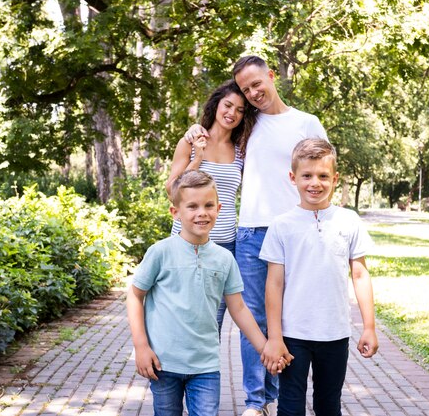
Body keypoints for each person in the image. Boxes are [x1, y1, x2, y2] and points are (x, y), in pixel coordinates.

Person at [184, 55, 327, 416]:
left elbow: (322, 173)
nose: (253, 93)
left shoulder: (306, 123)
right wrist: (193, 134)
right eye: (246, 90)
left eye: (256, 84)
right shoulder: (248, 124)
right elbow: (214, 133)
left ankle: (281, 394)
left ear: (271, 76)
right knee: (255, 318)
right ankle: (256, 401)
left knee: (290, 317)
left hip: (296, 231)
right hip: (251, 232)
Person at [126, 170, 290, 416]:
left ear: (219, 208)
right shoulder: (160, 252)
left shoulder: (224, 259)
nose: (201, 212)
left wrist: (264, 347)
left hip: (206, 366)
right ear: (176, 212)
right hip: (163, 364)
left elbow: (239, 308)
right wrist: (141, 346)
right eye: (192, 206)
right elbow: (135, 295)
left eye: (208, 205)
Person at [260, 138, 379, 416]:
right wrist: (274, 337)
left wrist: (369, 327)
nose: (315, 183)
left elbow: (360, 275)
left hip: (335, 333)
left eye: (323, 176)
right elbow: (274, 285)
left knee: (329, 404)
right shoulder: (281, 225)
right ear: (293, 177)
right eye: (307, 175)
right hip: (293, 335)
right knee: (290, 405)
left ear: (335, 179)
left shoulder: (348, 221)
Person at [166, 80, 256, 334]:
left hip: (225, 244)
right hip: (186, 242)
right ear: (217, 104)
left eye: (240, 110)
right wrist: (198, 158)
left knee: (212, 321)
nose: (232, 113)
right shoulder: (191, 140)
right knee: (180, 312)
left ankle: (205, 372)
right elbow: (173, 190)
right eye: (228, 105)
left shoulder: (241, 150)